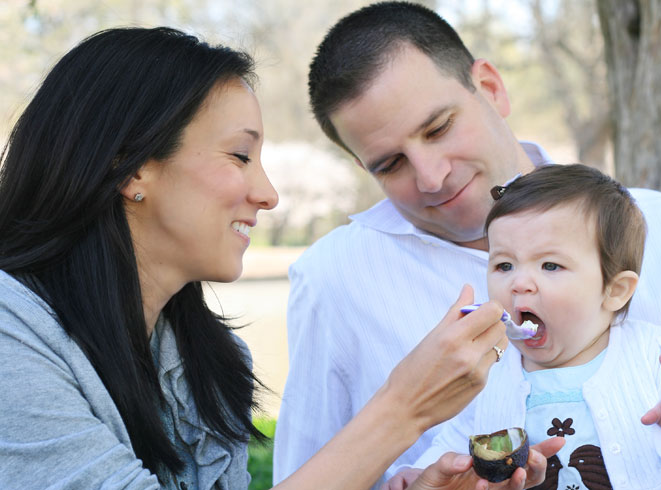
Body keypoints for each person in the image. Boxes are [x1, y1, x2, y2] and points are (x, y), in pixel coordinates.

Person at [0, 26, 562, 490]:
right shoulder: (12, 339)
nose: (268, 193)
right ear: (131, 168)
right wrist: (404, 408)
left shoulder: (207, 363)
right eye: (240, 155)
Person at [274, 2, 661, 488]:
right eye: (390, 164)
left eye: (438, 128)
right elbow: (312, 473)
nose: (431, 177)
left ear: (491, 87)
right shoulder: (334, 279)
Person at [386, 164, 661, 489]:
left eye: (550, 266)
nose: (520, 283)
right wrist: (421, 472)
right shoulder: (489, 370)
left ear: (614, 290)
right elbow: (457, 443)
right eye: (505, 265)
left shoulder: (658, 353)